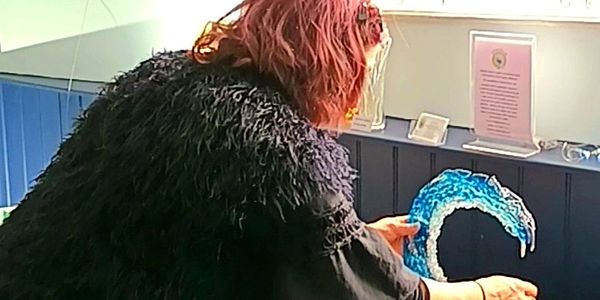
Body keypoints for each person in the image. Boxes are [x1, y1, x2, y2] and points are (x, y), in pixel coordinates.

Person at [0, 0, 538, 299]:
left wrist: (362, 240)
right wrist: (486, 293)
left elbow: (217, 232)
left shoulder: (161, 80)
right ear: (331, 64)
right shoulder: (282, 152)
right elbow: (382, 296)